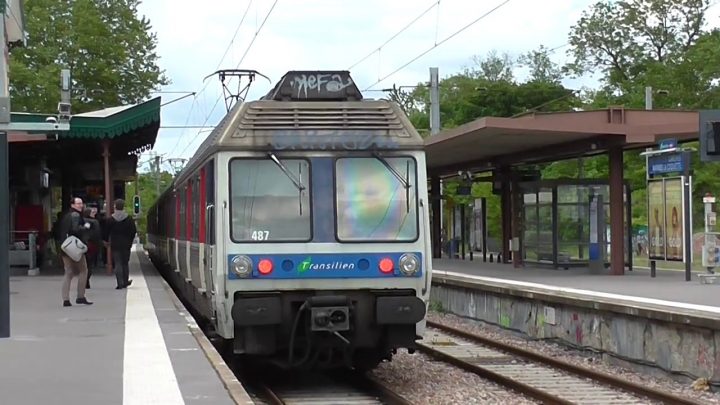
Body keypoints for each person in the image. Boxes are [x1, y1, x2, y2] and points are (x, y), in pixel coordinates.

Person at [58, 197, 93, 307]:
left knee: (68, 272)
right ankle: (80, 296)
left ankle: (66, 299)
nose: (81, 205)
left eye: (81, 203)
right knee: (83, 270)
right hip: (75, 248)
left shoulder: (65, 216)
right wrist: (86, 227)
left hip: (65, 247)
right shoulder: (76, 215)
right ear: (72, 205)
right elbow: (76, 229)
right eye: (78, 203)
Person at [104, 199, 137, 289]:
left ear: (115, 206)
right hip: (126, 244)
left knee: (118, 263)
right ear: (123, 207)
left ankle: (119, 283)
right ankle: (125, 281)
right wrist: (130, 241)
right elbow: (133, 231)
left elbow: (106, 232)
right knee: (125, 263)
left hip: (115, 243)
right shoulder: (129, 219)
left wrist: (106, 241)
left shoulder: (110, 219)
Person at [83, 207, 102, 289]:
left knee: (83, 263)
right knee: (89, 264)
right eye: (92, 212)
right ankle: (86, 280)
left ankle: (84, 280)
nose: (94, 214)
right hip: (92, 245)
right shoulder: (95, 222)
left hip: (81, 244)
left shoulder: (81, 221)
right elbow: (97, 234)